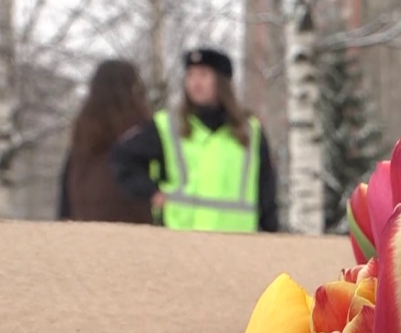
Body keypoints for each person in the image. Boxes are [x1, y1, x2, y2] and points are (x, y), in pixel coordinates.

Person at [111, 47, 279, 232]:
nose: (195, 82)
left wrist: (272, 237)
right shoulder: (168, 126)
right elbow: (123, 158)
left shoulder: (250, 131)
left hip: (237, 245)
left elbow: (266, 191)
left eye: (203, 75)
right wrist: (151, 191)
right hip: (181, 243)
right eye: (190, 75)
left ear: (221, 82)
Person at [59, 60, 155, 224]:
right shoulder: (143, 138)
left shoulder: (81, 144)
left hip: (85, 239)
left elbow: (64, 206)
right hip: (137, 240)